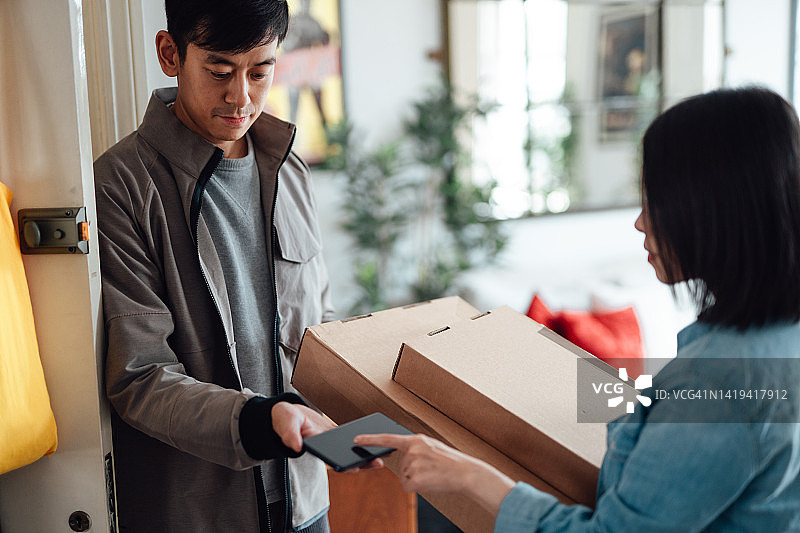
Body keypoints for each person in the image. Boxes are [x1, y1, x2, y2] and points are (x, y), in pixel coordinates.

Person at [353, 86, 800, 531]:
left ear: (717, 207)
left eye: (658, 199)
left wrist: (470, 474)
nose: (640, 221)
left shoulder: (722, 379)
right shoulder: (771, 339)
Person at [94, 1, 338, 531]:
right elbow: (139, 376)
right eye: (220, 71)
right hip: (200, 511)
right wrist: (258, 420)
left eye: (261, 70)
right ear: (169, 53)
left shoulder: (288, 167)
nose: (241, 96)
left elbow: (319, 319)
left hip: (306, 500)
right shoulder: (121, 185)